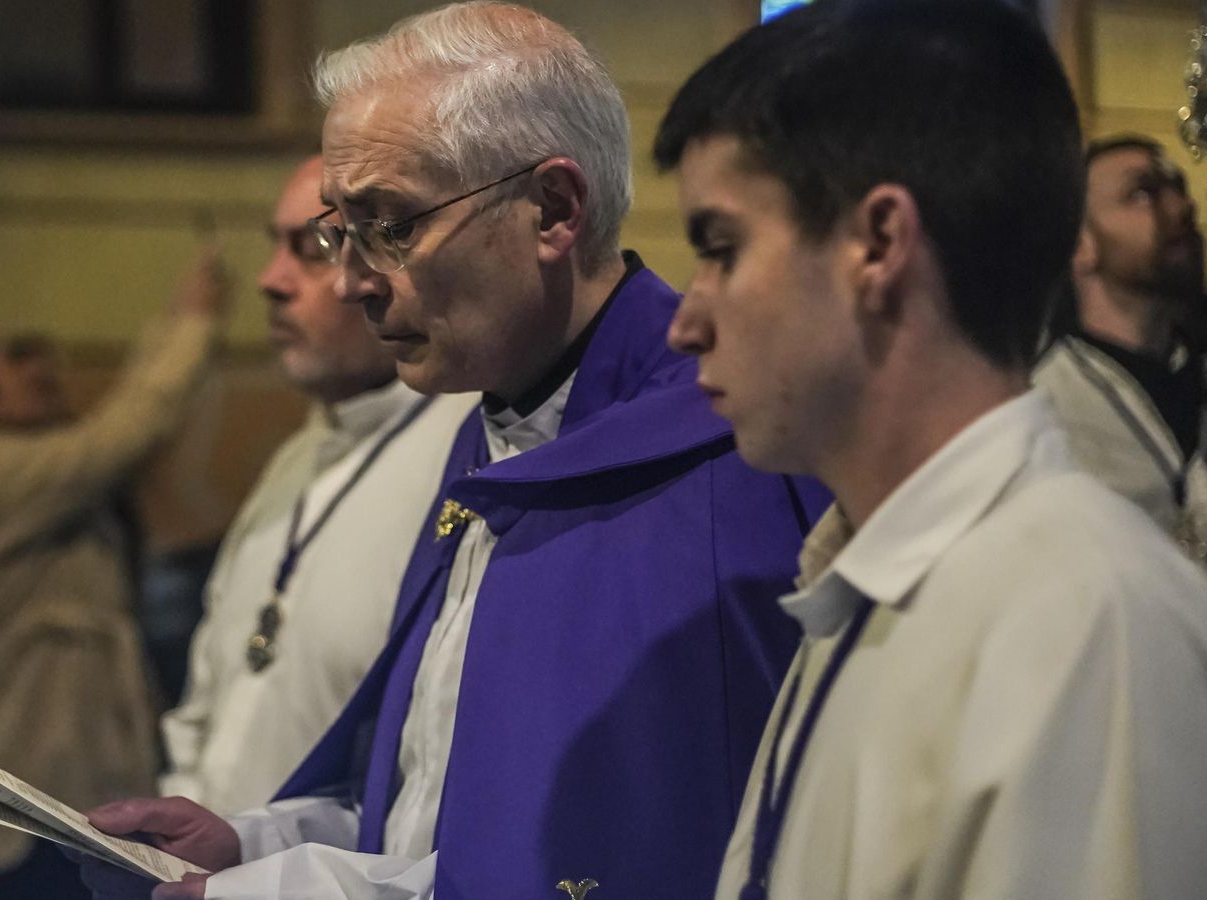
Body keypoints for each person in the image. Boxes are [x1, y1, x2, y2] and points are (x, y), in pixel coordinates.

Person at [78, 4, 823, 898]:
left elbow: (630, 859)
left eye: (389, 224)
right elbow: (435, 800)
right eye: (339, 229)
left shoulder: (730, 465)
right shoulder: (491, 427)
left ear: (553, 208)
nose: (352, 279)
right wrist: (254, 843)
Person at [653, 0, 1207, 897]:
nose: (686, 323)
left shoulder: (1079, 629)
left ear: (878, 244)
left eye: (722, 248)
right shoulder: (879, 579)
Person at [0, 255, 229, 899]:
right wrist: (191, 322)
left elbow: (113, 423)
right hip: (37, 814)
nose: (37, 368)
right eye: (11, 364)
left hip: (68, 799)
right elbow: (128, 430)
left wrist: (170, 322)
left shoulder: (11, 465)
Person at [159, 156, 474, 815]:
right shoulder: (295, 456)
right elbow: (207, 702)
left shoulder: (467, 462)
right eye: (275, 247)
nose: (270, 281)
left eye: (311, 249)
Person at [1033, 135, 1207, 778]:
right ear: (1081, 246)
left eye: (1177, 186)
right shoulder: (1045, 412)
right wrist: (1203, 655)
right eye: (1141, 194)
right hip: (1127, 759)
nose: (1179, 206)